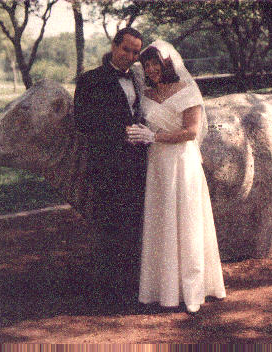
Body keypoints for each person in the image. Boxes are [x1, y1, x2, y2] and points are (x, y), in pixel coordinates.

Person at [127, 40, 226, 313]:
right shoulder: (147, 93)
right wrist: (139, 135)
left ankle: (193, 289)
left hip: (182, 163)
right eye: (146, 65)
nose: (150, 69)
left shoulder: (187, 90)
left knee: (186, 221)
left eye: (155, 64)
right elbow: (147, 124)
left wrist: (154, 136)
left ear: (167, 64)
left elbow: (192, 131)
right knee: (162, 222)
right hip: (157, 164)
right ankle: (163, 289)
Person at [73, 28, 147, 303]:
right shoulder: (90, 80)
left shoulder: (139, 79)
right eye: (126, 49)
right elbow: (82, 123)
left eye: (135, 52)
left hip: (138, 166)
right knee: (110, 227)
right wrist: (120, 133)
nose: (130, 56)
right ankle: (110, 292)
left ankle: (133, 286)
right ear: (114, 46)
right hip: (107, 167)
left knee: (134, 226)